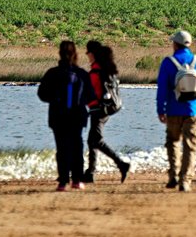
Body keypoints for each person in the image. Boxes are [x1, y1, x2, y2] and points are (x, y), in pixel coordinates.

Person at [156, 30, 196, 192]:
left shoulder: (168, 62)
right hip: (193, 110)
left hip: (173, 110)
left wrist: (161, 109)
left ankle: (173, 174)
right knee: (190, 145)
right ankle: (185, 180)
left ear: (175, 44)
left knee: (173, 141)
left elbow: (161, 89)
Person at [38, 41, 94, 191]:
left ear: (60, 54)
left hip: (58, 116)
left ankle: (63, 181)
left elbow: (42, 94)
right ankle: (77, 180)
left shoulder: (52, 73)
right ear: (75, 54)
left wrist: (55, 100)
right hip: (77, 116)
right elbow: (91, 96)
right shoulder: (82, 74)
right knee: (77, 147)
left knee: (62, 148)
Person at [84, 41, 130, 184]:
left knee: (96, 140)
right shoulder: (106, 69)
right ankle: (90, 173)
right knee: (92, 140)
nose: (87, 55)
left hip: (98, 109)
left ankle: (121, 164)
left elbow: (93, 92)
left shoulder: (95, 71)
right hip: (105, 109)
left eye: (88, 52)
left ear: (93, 54)